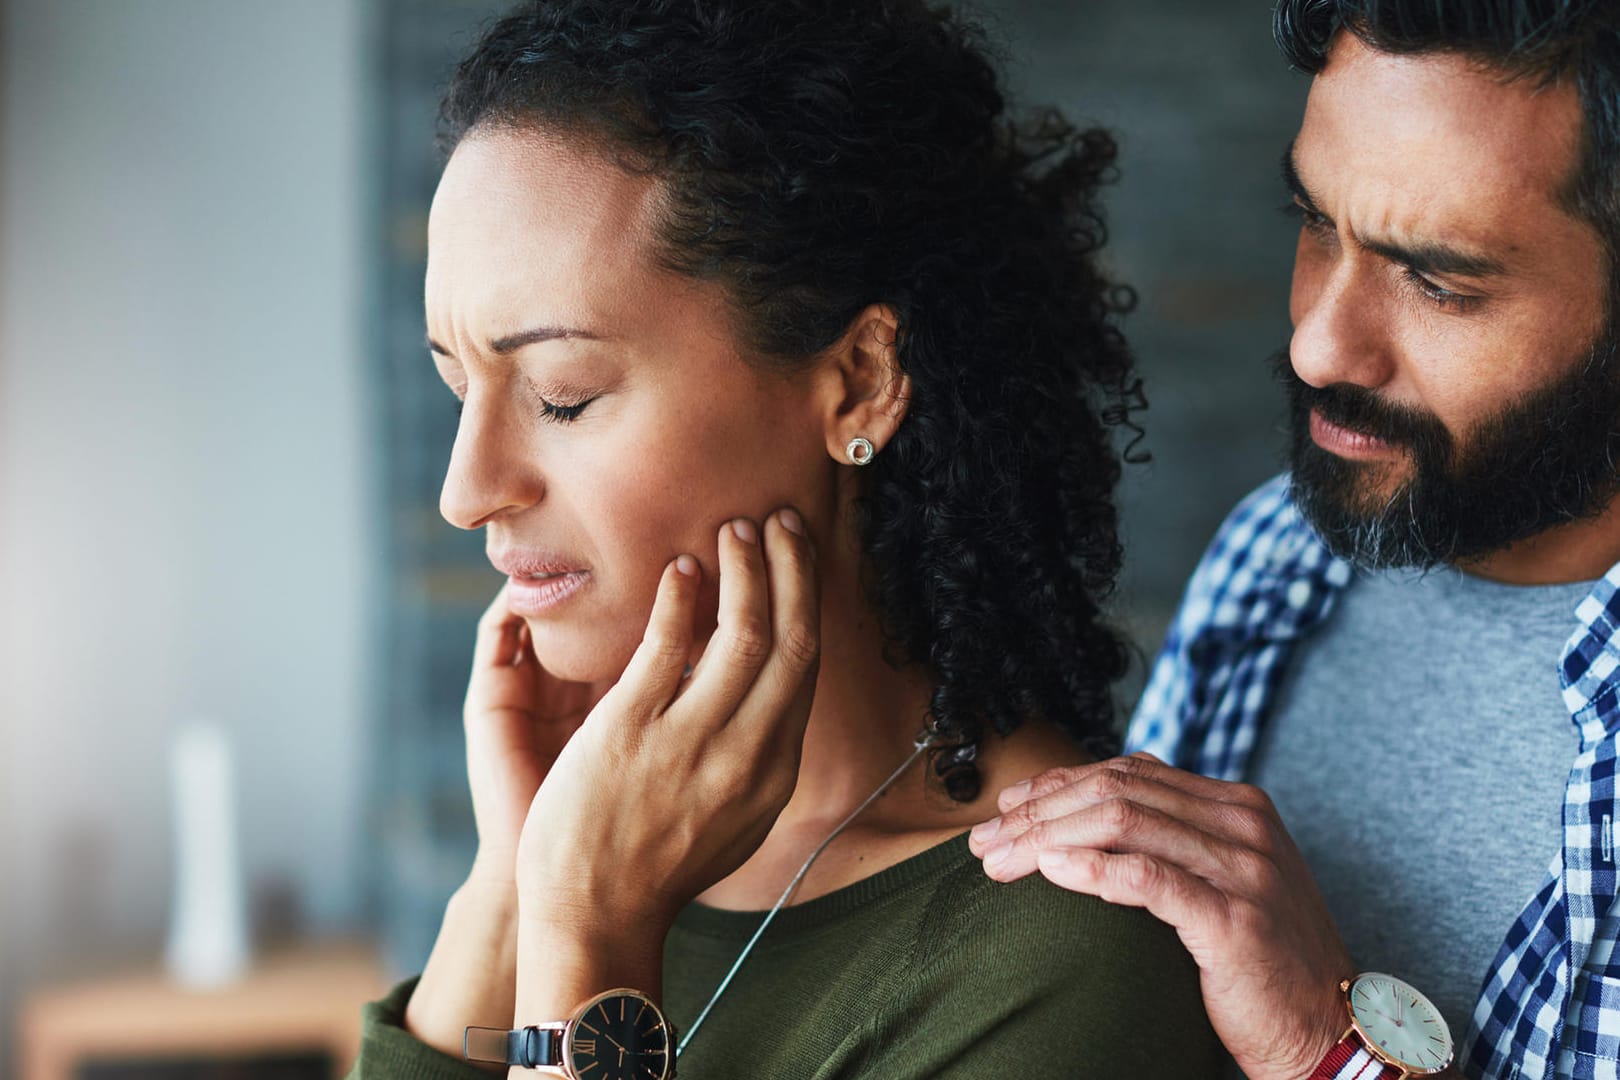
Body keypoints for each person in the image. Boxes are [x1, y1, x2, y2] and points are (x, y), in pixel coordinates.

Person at [347, 1, 1225, 1077]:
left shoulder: (1062, 957)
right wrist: (512, 888)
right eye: (456, 387)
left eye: (562, 396)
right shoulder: (603, 844)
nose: (466, 490)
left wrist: (588, 932)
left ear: (857, 383)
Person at [968, 2, 1620, 1078]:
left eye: (1439, 282)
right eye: (1316, 223)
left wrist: (1322, 1049)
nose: (1321, 344)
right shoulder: (1282, 551)